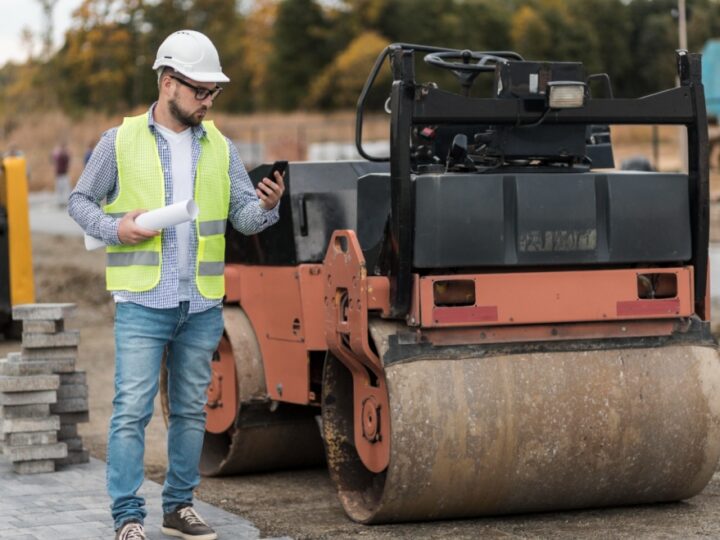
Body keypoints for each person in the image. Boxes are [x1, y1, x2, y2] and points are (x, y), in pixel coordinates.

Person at [68, 29, 285, 540]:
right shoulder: (118, 140)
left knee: (190, 410)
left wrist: (268, 207)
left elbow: (243, 219)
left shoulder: (221, 148)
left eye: (214, 92)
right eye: (200, 90)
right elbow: (80, 202)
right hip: (143, 300)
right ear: (168, 82)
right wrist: (115, 228)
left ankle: (179, 506)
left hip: (202, 304)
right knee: (131, 412)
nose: (208, 101)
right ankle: (127, 516)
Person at [52, 141, 70, 206]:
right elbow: (52, 159)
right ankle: (60, 201)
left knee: (66, 188)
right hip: (59, 174)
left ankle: (66, 200)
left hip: (64, 174)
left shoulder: (65, 155)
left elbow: (68, 159)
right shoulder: (58, 154)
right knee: (59, 189)